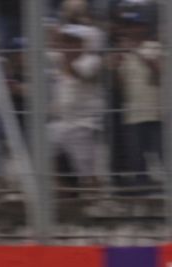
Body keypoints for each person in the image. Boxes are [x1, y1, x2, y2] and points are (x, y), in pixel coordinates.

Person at [49, 23, 104, 189]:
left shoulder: (91, 60)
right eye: (66, 41)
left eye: (72, 41)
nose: (67, 45)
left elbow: (79, 74)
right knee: (53, 159)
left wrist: (65, 57)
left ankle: (95, 200)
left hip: (83, 123)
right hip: (61, 121)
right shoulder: (62, 58)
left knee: (85, 170)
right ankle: (65, 198)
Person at [114, 14, 162, 191]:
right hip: (133, 111)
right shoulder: (124, 52)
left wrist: (136, 51)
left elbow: (160, 71)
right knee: (136, 155)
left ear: (144, 27)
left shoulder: (154, 46)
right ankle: (141, 188)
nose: (133, 29)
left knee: (161, 153)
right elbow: (120, 86)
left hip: (154, 110)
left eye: (136, 25)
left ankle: (171, 187)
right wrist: (117, 64)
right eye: (129, 26)